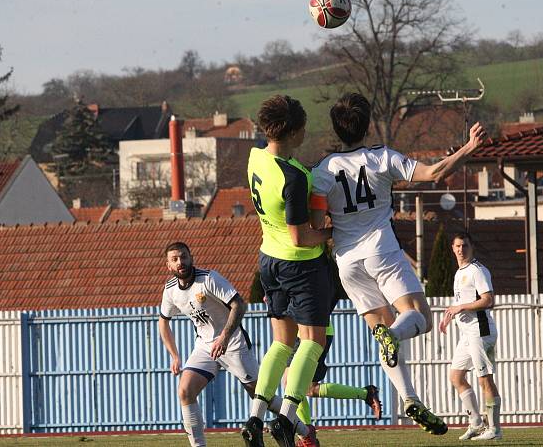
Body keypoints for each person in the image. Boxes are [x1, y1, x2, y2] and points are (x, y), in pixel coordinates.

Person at [310, 92, 486, 436]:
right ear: (367, 125)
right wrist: (468, 148)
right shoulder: (382, 158)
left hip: (346, 261)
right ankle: (392, 337)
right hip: (382, 250)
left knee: (382, 333)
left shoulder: (322, 170)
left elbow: (317, 223)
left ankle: (408, 398)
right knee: (419, 318)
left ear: (336, 128)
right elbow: (434, 173)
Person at [242, 95, 335, 447]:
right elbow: (301, 237)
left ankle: (255, 418)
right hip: (301, 265)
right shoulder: (294, 177)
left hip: (268, 258)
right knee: (313, 341)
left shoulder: (255, 157)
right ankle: (287, 419)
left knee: (281, 343)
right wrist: (332, 234)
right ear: (295, 131)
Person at [158, 242, 308, 447]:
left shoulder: (209, 278)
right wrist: (174, 356)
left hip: (233, 342)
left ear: (191, 257)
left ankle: (304, 432)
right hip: (205, 346)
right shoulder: (170, 290)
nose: (180, 262)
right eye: (174, 259)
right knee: (185, 390)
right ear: (168, 265)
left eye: (183, 257)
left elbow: (239, 304)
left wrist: (225, 337)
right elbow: (163, 322)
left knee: (262, 395)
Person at [439, 232, 502, 441]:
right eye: (457, 246)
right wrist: (450, 315)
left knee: (485, 379)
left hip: (480, 331)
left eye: (464, 246)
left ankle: (494, 429)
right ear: (452, 248)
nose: (461, 249)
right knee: (456, 377)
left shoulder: (478, 270)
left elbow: (488, 300)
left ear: (471, 247)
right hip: (467, 333)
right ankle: (476, 423)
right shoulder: (459, 272)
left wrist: (461, 307)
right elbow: (461, 303)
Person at [281, 319, 383, 447]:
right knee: (306, 388)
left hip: (311, 330)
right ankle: (366, 393)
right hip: (309, 330)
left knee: (292, 384)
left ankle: (307, 437)